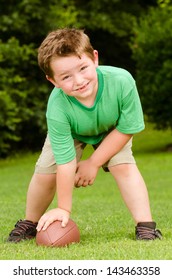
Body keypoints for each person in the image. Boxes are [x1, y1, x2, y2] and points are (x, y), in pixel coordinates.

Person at [8, 28, 162, 243]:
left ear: (95, 58)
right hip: (72, 131)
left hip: (113, 129)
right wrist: (63, 207)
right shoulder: (57, 106)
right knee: (45, 173)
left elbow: (128, 128)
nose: (79, 80)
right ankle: (30, 222)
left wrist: (94, 163)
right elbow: (65, 162)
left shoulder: (121, 81)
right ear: (53, 81)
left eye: (83, 68)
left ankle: (145, 225)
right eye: (66, 77)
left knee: (124, 166)